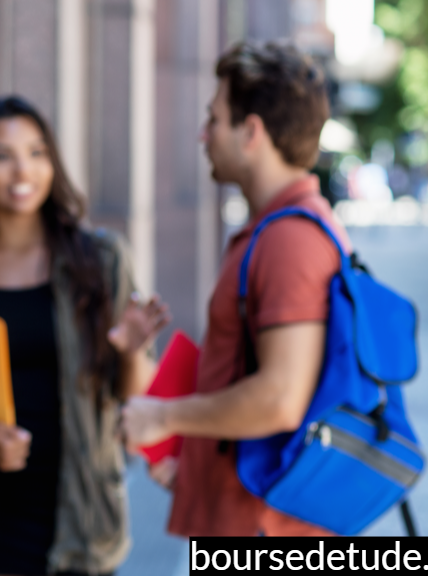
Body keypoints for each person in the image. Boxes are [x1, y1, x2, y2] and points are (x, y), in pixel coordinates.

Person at [0, 96, 170, 576]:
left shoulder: (101, 259)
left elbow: (133, 394)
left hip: (82, 514)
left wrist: (128, 352)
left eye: (37, 152)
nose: (23, 170)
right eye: (1, 155)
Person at [121, 41, 346, 536]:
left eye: (215, 120)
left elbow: (280, 398)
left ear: (252, 132)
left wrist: (165, 417)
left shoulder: (291, 239)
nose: (203, 135)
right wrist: (194, 458)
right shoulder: (271, 230)